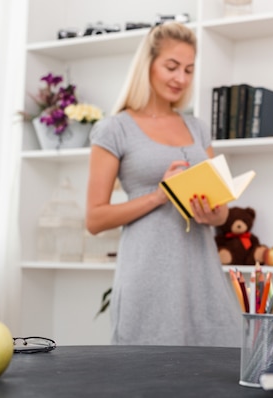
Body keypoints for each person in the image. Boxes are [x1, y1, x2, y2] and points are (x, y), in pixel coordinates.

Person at [85, 22, 240, 346]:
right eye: (171, 66)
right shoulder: (114, 129)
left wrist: (214, 214)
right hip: (148, 273)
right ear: (148, 65)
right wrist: (160, 195)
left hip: (202, 271)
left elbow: (222, 213)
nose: (180, 79)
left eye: (188, 69)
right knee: (147, 374)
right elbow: (95, 219)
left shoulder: (197, 128)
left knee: (216, 367)